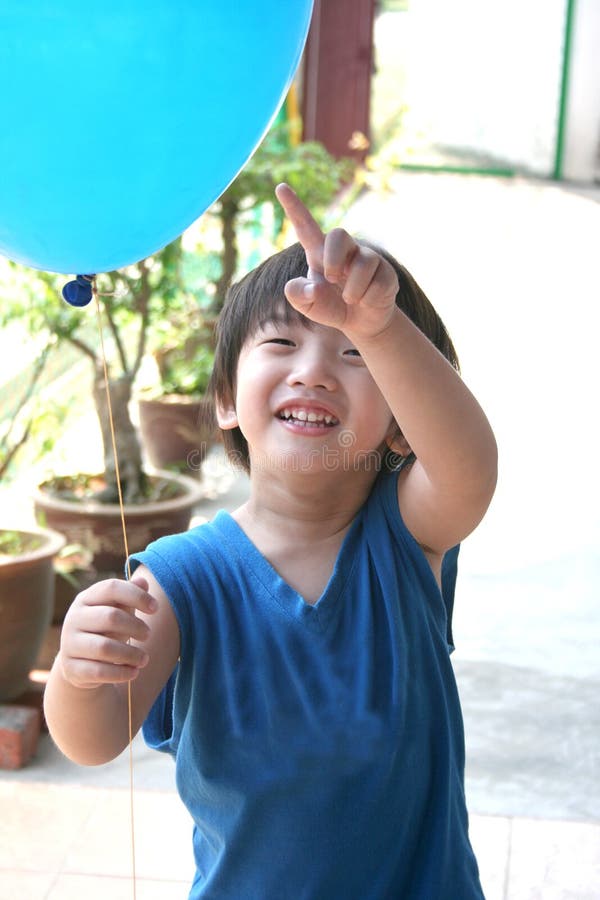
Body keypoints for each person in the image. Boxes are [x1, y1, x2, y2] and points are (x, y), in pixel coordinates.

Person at [44, 184, 498, 899]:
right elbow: (94, 739)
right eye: (282, 342)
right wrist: (76, 670)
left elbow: (471, 469)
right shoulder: (180, 577)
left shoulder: (406, 536)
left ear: (402, 422)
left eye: (354, 354)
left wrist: (383, 326)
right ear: (226, 399)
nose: (313, 370)